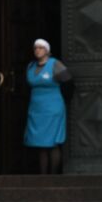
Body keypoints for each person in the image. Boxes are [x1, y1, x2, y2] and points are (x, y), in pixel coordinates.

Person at [23, 38, 71, 174]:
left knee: (52, 143)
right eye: (35, 48)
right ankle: (43, 176)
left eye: (40, 48)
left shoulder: (55, 64)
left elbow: (68, 82)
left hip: (53, 108)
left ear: (47, 50)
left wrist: (65, 100)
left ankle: (53, 175)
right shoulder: (30, 66)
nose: (37, 50)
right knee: (40, 144)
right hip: (36, 109)